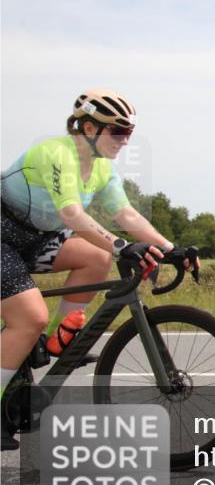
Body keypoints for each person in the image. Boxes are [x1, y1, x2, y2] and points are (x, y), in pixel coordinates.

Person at [0, 89, 196, 450]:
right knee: (29, 316)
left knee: (96, 257)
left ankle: (55, 341)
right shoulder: (57, 153)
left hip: (35, 239)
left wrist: (171, 250)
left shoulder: (102, 168)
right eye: (118, 132)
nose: (124, 141)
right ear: (89, 127)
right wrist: (122, 244)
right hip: (2, 236)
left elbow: (126, 215)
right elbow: (71, 215)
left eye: (129, 134)